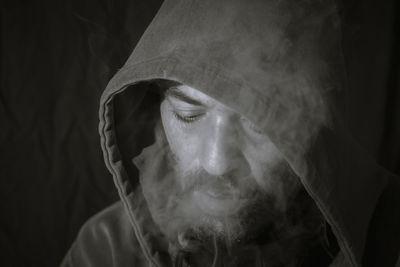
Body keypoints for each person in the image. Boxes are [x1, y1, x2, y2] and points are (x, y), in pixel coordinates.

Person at [61, 0, 400, 266]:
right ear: (157, 110)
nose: (217, 162)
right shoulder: (106, 248)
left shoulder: (389, 242)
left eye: (259, 124)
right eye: (188, 114)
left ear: (318, 132)